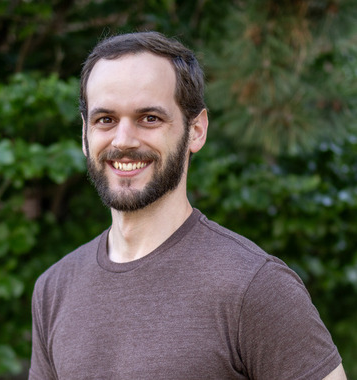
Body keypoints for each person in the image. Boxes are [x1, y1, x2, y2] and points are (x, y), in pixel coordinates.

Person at [29, 31, 347, 380]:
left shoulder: (254, 286)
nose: (123, 140)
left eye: (149, 118)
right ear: (85, 136)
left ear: (196, 130)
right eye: (105, 119)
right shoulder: (55, 288)